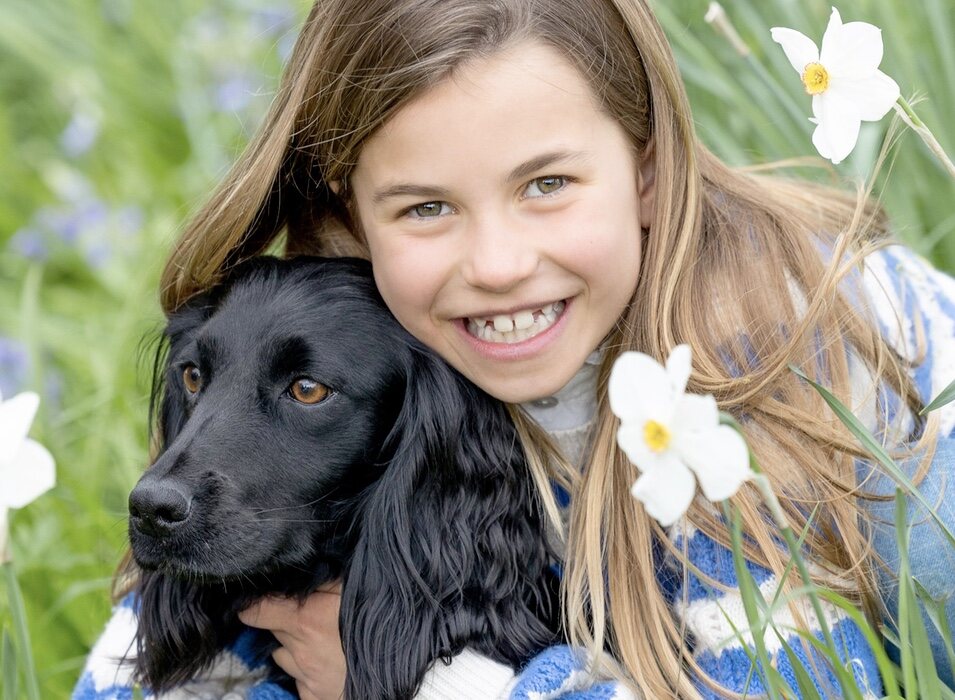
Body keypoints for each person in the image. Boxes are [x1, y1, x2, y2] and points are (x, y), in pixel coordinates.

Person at [74, 0, 955, 698]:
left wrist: (434, 684)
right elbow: (164, 645)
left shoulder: (759, 350)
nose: (497, 267)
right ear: (349, 214)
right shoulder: (365, 337)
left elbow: (794, 683)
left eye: (546, 184)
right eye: (426, 206)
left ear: (647, 170)